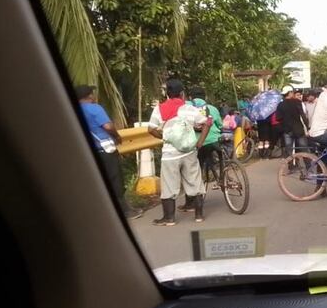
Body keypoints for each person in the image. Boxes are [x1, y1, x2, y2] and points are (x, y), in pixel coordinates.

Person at [147, 79, 211, 226]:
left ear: (167, 94)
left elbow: (150, 129)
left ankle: (169, 218)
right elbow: (207, 123)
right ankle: (199, 215)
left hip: (170, 154)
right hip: (189, 151)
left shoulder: (159, 109)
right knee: (195, 182)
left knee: (169, 185)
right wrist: (200, 142)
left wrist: (164, 137)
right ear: (182, 94)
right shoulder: (189, 109)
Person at [76, 85, 142, 219]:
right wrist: (117, 136)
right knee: (115, 180)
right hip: (105, 150)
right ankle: (124, 211)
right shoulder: (94, 108)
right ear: (89, 95)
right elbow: (108, 126)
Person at [179, 87, 223, 213]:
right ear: (205, 97)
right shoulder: (212, 108)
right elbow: (219, 124)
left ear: (190, 97)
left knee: (193, 171)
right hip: (215, 140)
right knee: (220, 158)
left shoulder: (187, 107)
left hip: (199, 143)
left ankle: (190, 203)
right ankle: (222, 177)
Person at [275, 85, 309, 157]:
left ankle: (291, 163)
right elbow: (303, 116)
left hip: (287, 130)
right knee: (304, 149)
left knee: (289, 151)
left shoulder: (280, 105)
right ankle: (308, 163)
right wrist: (308, 127)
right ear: (290, 93)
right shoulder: (297, 102)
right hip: (298, 129)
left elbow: (278, 118)